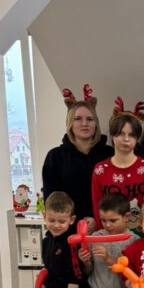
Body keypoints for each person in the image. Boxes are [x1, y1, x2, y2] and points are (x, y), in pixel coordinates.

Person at [42, 87, 110, 222]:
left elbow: (116, 196)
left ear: (96, 123)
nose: (84, 124)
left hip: (105, 226)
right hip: (67, 228)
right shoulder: (55, 157)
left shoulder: (110, 154)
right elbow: (52, 201)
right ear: (70, 123)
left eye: (90, 119)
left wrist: (97, 221)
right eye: (78, 119)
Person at [91, 111, 144, 229]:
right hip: (109, 234)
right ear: (112, 136)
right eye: (121, 134)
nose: (126, 139)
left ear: (137, 138)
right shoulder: (100, 170)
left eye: (132, 135)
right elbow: (97, 209)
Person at [40, 191, 85, 288]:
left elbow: (74, 279)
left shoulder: (72, 244)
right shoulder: (46, 242)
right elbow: (47, 271)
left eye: (61, 221)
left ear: (71, 220)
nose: (56, 225)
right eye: (51, 220)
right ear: (44, 216)